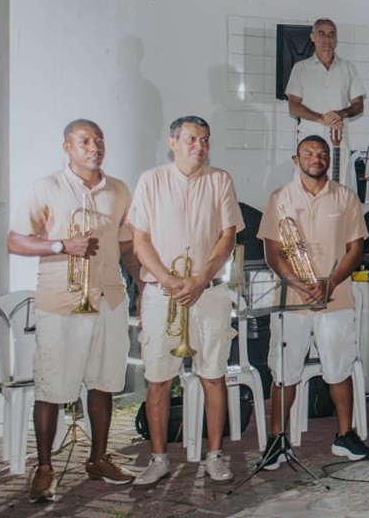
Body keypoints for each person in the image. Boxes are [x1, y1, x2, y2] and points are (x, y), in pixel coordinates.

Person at [8, 120, 140, 501]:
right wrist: (61, 246)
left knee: (104, 383)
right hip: (61, 303)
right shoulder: (45, 187)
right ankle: (45, 468)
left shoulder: (119, 190)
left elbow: (126, 245)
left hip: (109, 299)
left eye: (99, 140)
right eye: (84, 141)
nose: (94, 147)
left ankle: (98, 458)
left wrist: (144, 284)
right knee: (51, 388)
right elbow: (15, 241)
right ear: (67, 147)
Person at [128, 116, 243, 487]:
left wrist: (201, 278)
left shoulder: (220, 179)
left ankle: (215, 455)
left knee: (214, 375)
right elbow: (140, 241)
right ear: (173, 142)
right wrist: (168, 279)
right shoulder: (151, 180)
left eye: (205, 140)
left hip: (210, 294)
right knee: (158, 381)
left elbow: (227, 238)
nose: (200, 146)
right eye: (192, 139)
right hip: (163, 294)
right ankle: (158, 458)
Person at [257, 135, 369, 466]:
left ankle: (345, 436)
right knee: (284, 372)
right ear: (297, 160)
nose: (316, 158)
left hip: (335, 298)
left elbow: (356, 249)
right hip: (291, 301)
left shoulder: (345, 197)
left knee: (339, 369)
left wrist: (330, 282)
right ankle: (277, 440)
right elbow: (273, 251)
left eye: (322, 154)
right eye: (308, 153)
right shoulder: (279, 198)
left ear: (328, 161)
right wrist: (298, 283)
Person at [285, 18, 366, 184]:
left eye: (331, 34)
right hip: (309, 140)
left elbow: (358, 105)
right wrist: (321, 118)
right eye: (321, 34)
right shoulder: (301, 68)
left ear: (336, 38)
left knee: (338, 187)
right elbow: (293, 106)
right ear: (312, 37)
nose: (327, 39)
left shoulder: (347, 68)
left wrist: (341, 113)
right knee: (306, 189)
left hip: (338, 140)